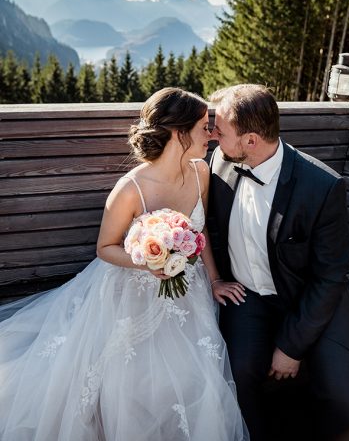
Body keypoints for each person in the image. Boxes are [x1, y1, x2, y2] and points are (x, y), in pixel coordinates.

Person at [0, 87, 249, 441]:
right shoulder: (130, 188)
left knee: (191, 372)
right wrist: (147, 262)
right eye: (203, 127)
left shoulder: (200, 173)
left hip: (187, 293)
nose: (210, 134)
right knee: (126, 379)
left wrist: (213, 280)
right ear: (179, 133)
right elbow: (105, 248)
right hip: (130, 290)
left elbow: (200, 228)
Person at [208, 84, 349, 441]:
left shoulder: (322, 187)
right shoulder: (220, 163)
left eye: (221, 131)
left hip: (309, 298)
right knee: (237, 372)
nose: (214, 137)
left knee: (343, 394)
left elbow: (330, 276)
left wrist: (291, 346)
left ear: (250, 141)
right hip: (247, 296)